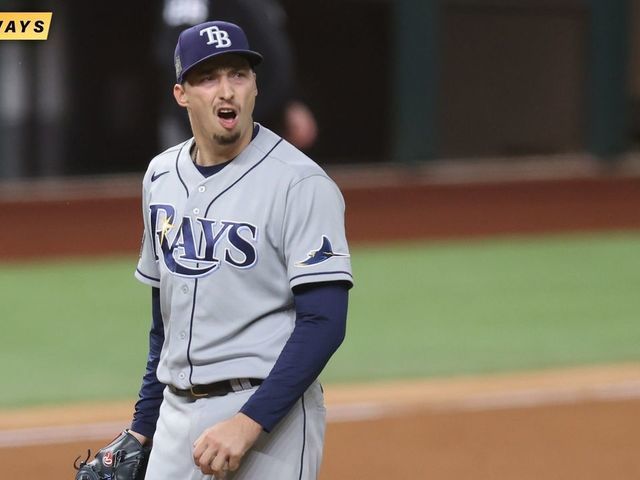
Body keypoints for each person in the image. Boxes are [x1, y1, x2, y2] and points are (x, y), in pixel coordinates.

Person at [80, 20, 353, 480]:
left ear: (254, 86)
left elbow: (324, 321)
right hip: (175, 414)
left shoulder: (300, 183)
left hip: (270, 420)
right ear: (181, 94)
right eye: (208, 77)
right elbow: (163, 325)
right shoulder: (160, 176)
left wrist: (249, 424)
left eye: (238, 74)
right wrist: (143, 429)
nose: (226, 90)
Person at [156, 0, 318, 151]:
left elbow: (274, 54)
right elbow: (179, 53)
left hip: (260, 119)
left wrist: (290, 102)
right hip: (203, 123)